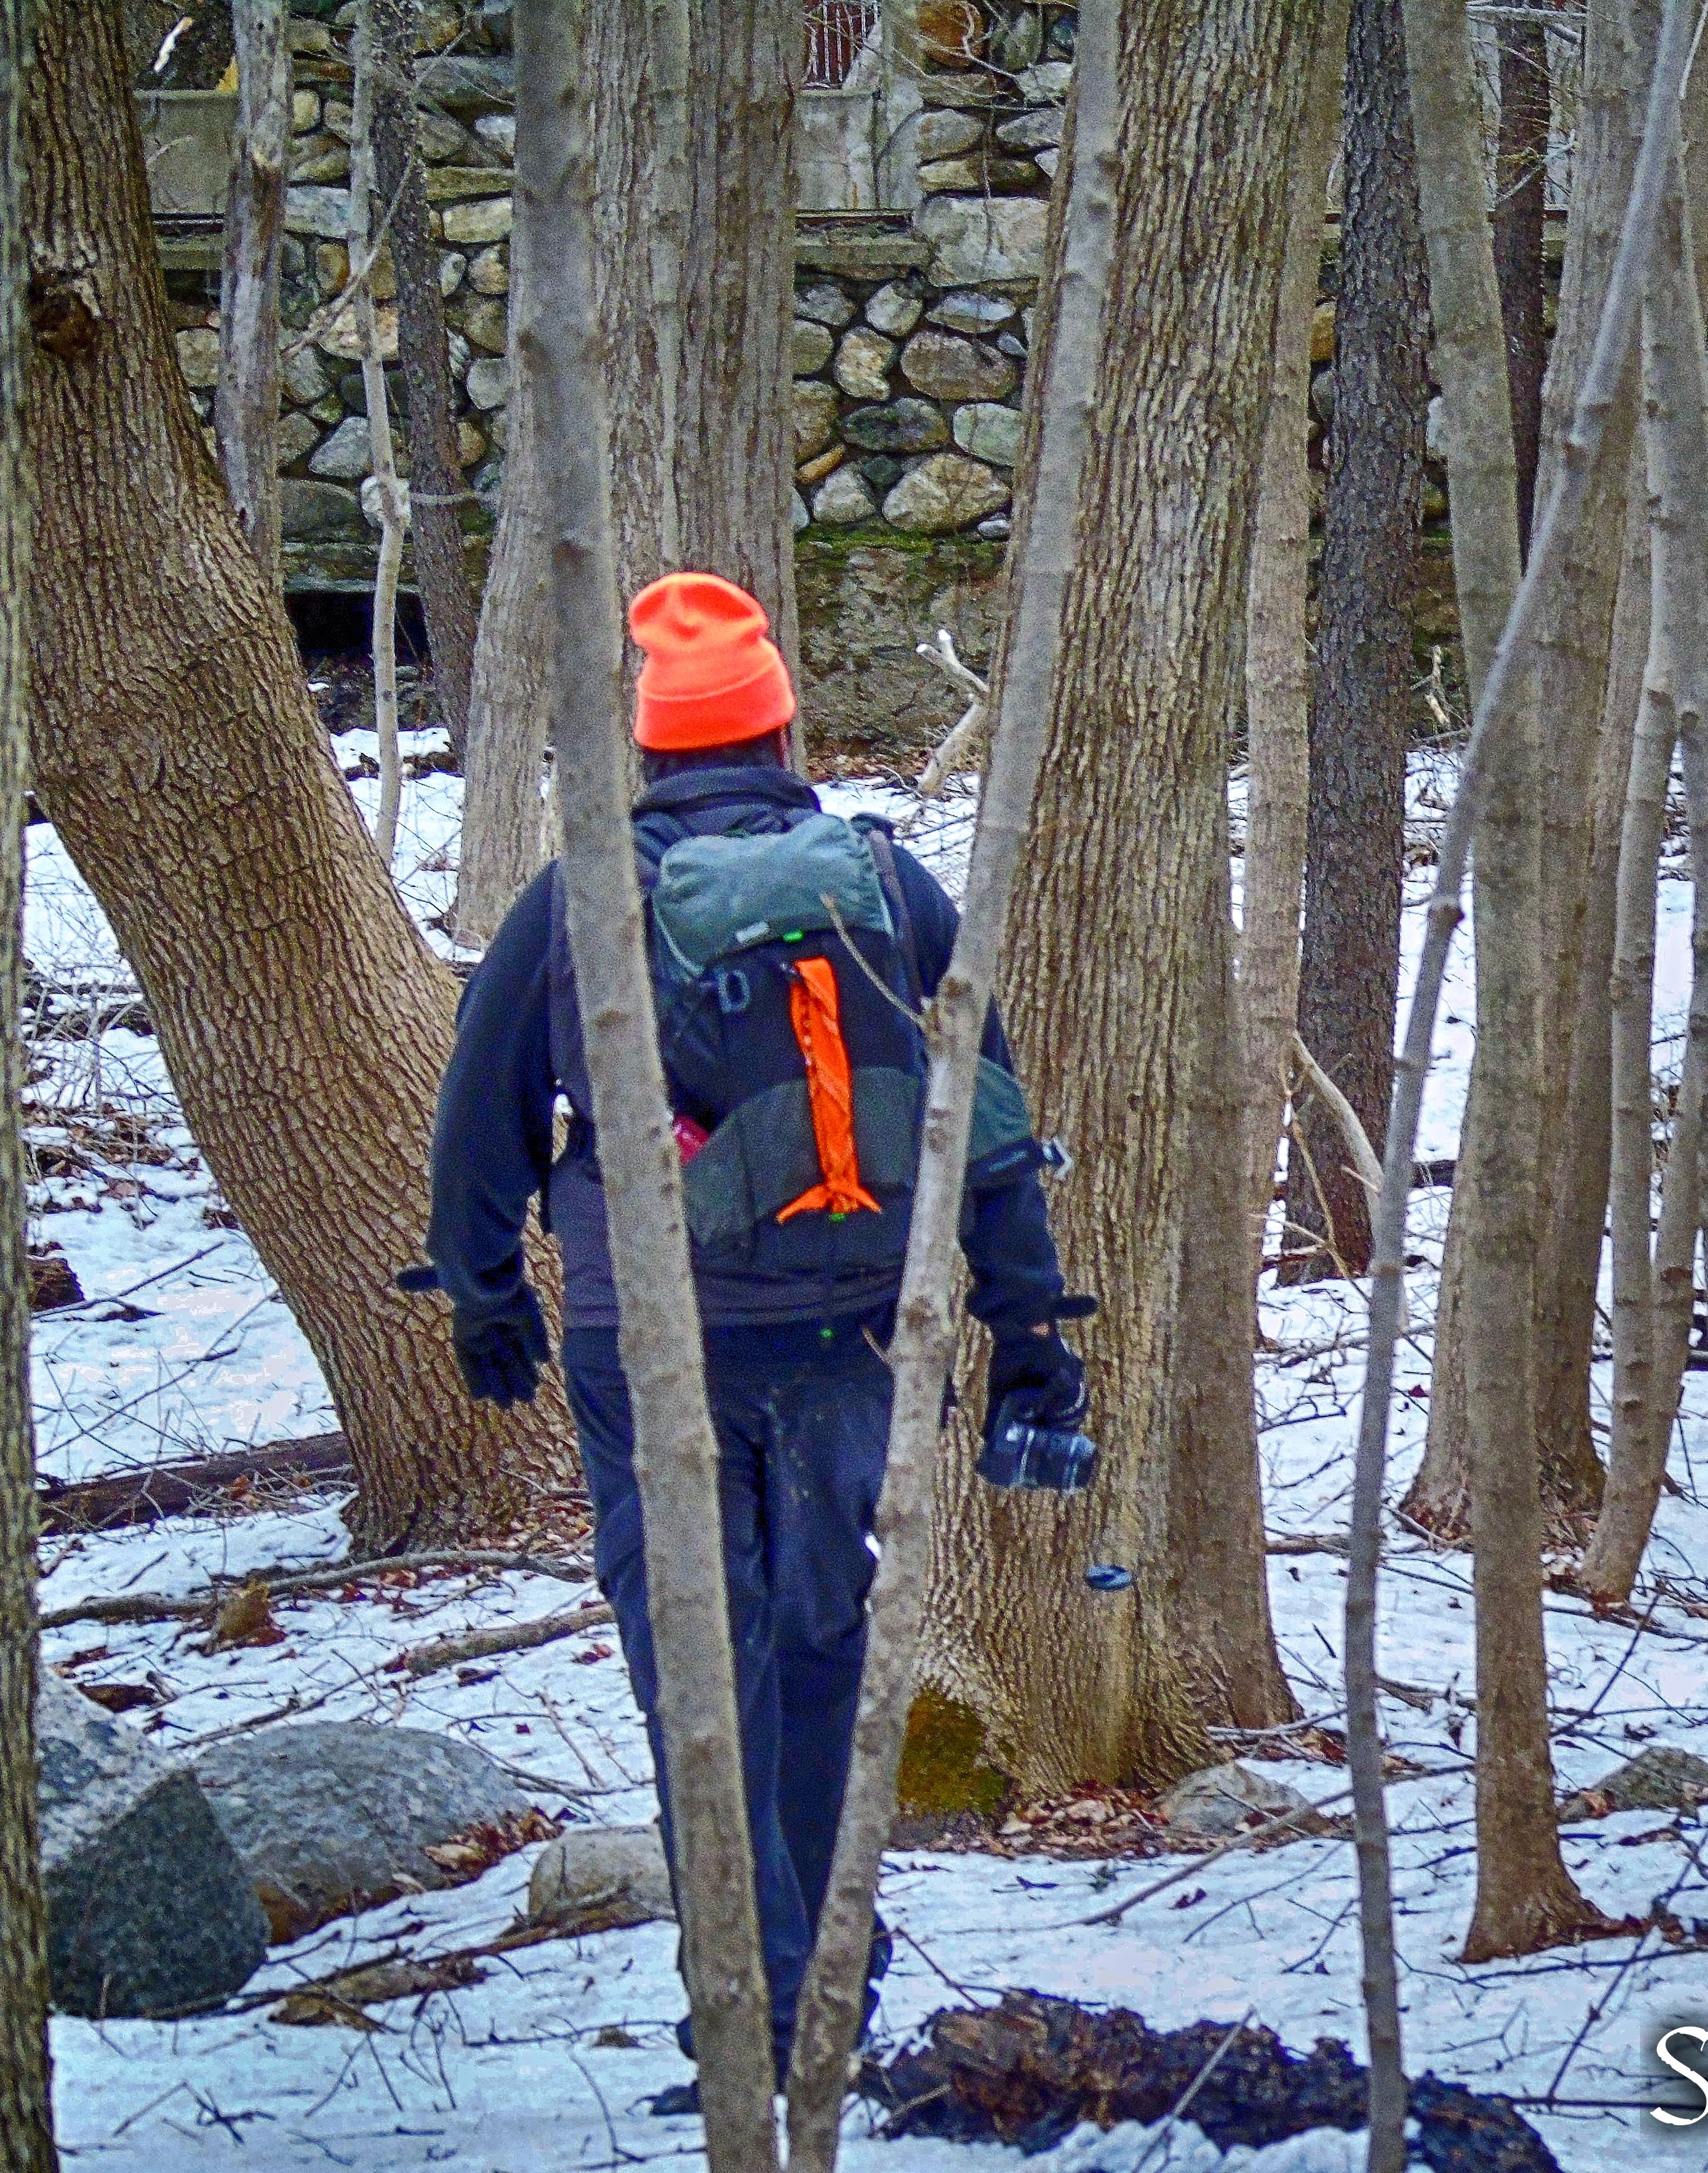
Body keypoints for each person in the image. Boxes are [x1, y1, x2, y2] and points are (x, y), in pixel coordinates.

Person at [423, 570, 1090, 2111]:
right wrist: (1028, 1335)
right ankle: (820, 2023)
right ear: (784, 726)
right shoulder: (887, 883)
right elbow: (985, 1123)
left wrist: (485, 1295)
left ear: (649, 751)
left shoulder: (585, 895)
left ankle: (755, 2028)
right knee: (818, 1649)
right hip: (861, 1337)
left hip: (655, 1346)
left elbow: (482, 1115)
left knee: (696, 1680)